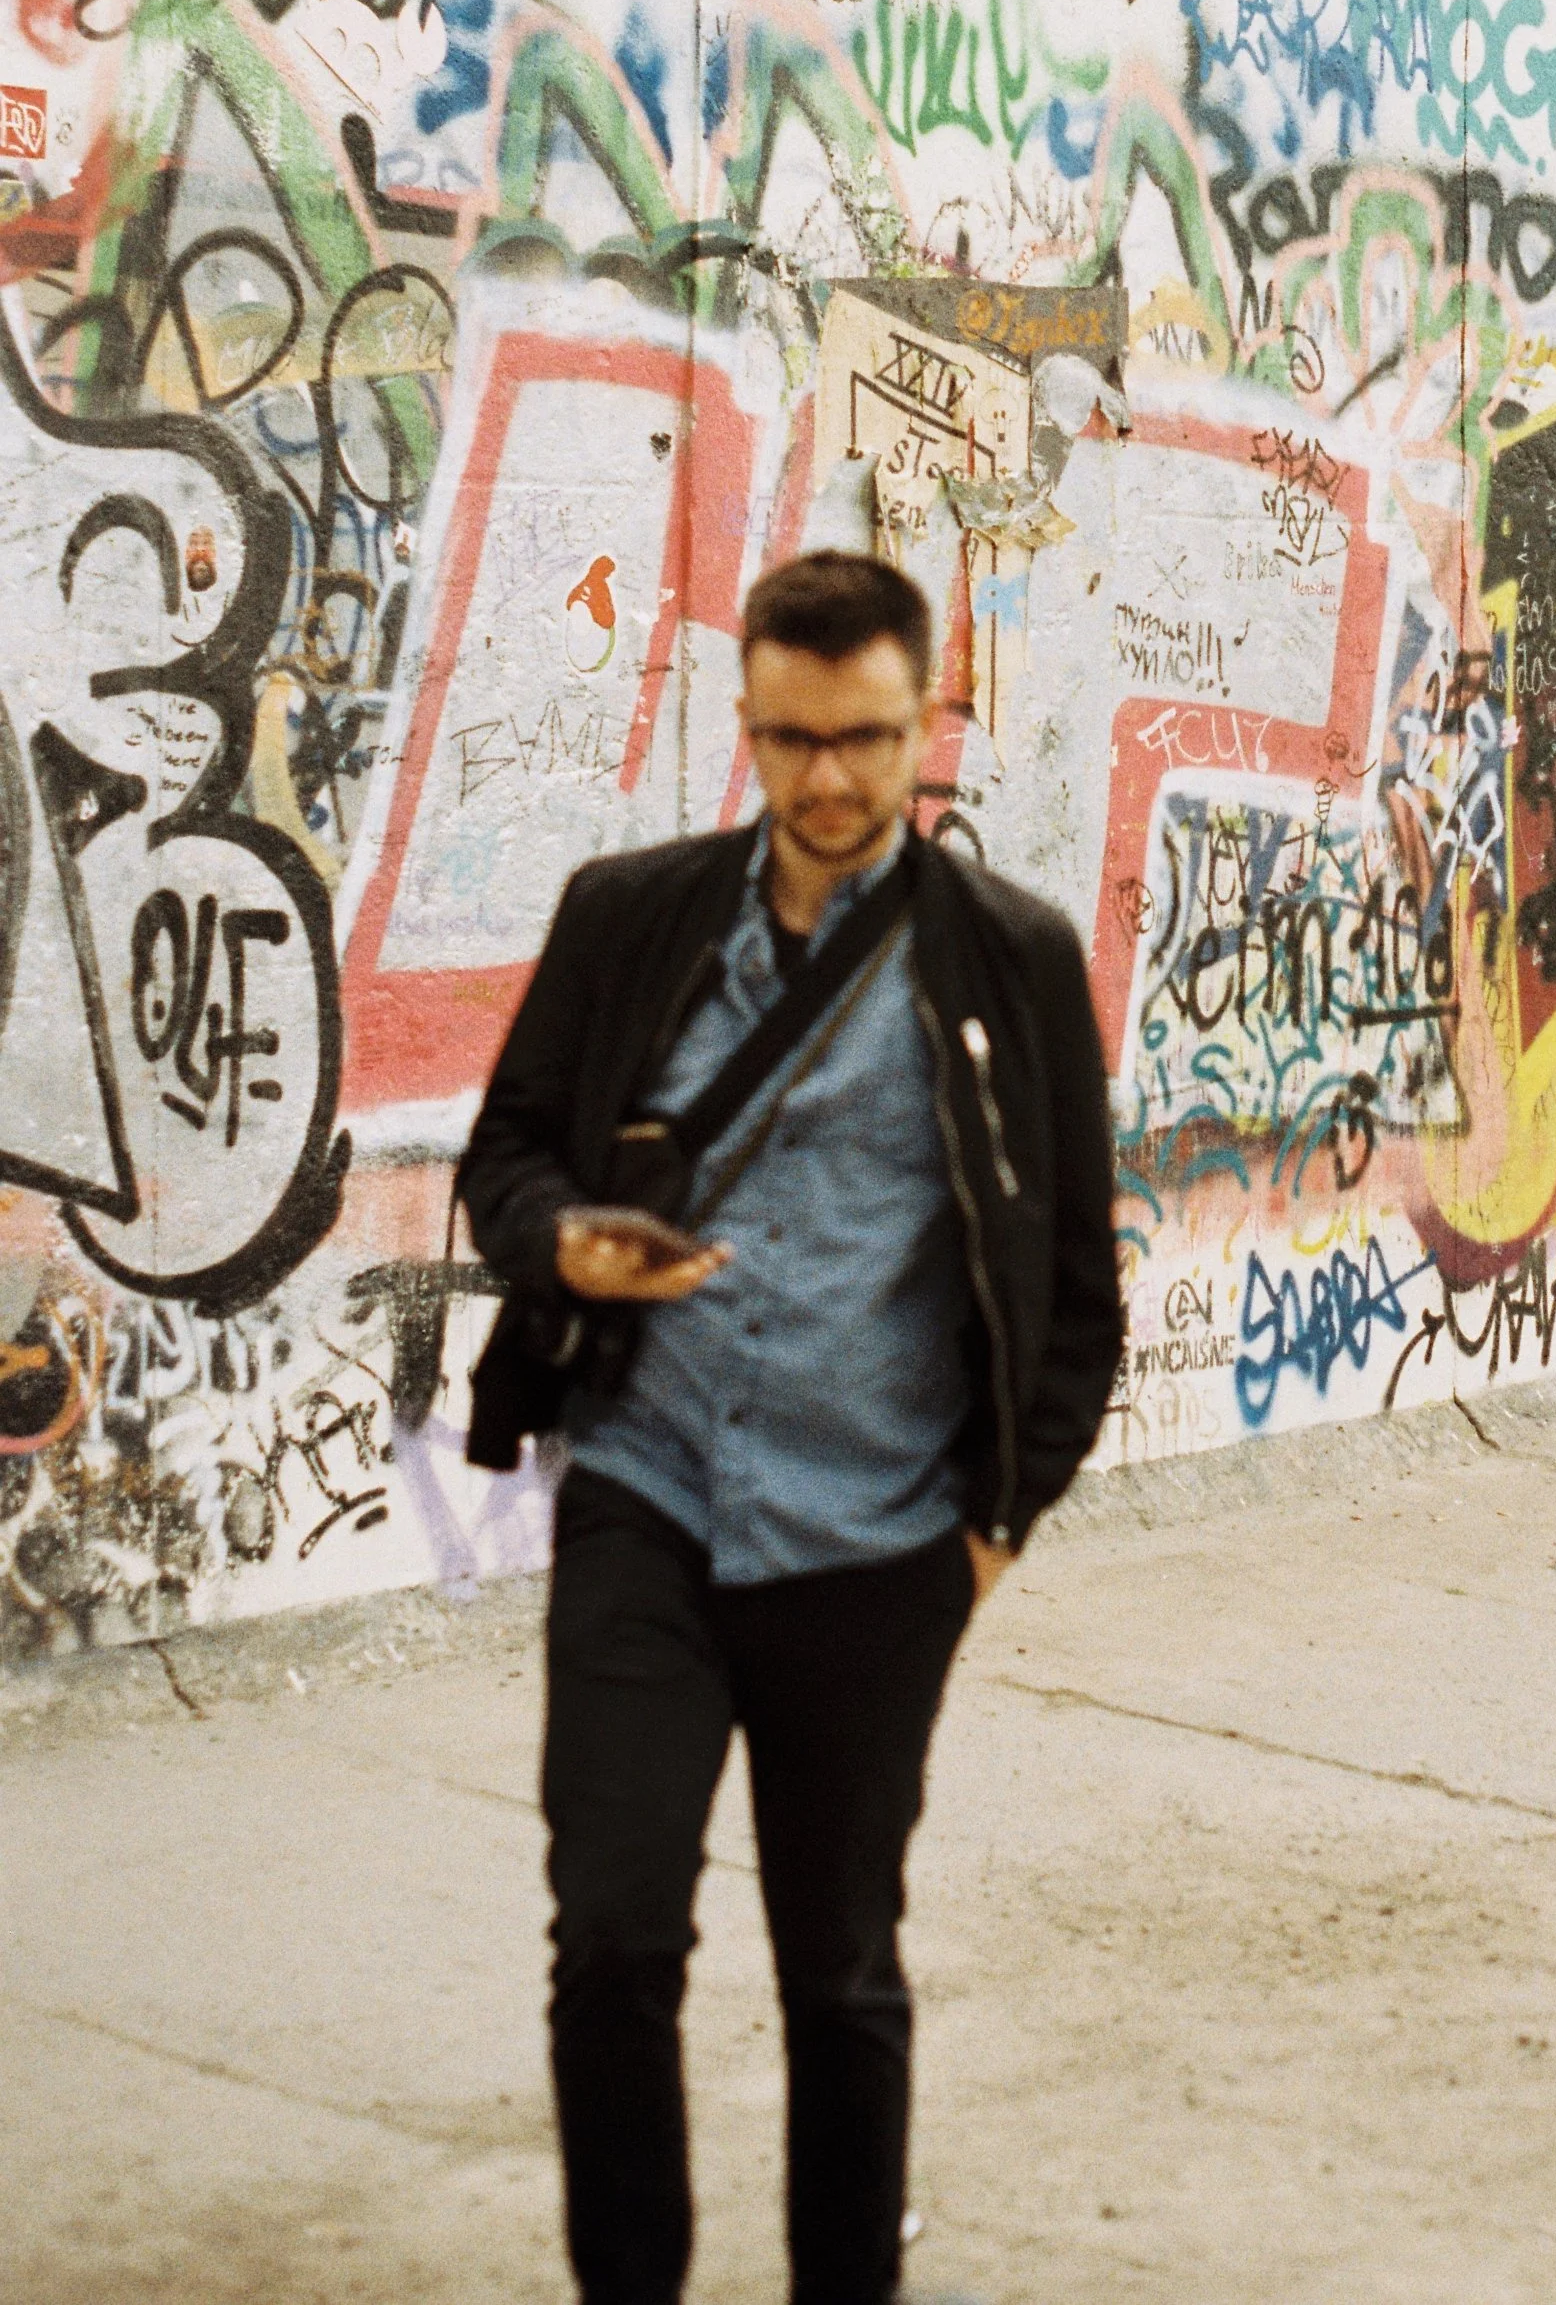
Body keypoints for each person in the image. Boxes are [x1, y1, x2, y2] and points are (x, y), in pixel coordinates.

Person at [457, 547, 1123, 2305]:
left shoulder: (1012, 963)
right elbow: (505, 1152)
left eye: (867, 739)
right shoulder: (631, 917)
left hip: (878, 1538)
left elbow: (1075, 1293)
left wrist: (991, 1528)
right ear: (743, 724)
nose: (828, 780)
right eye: (789, 739)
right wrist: (562, 1241)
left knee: (838, 1969)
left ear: (928, 724)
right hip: (650, 1494)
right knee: (609, 1939)